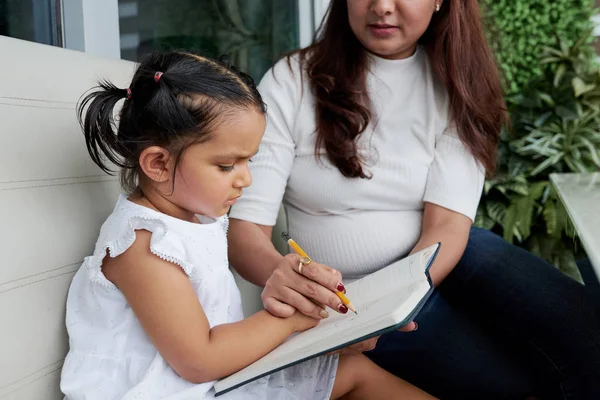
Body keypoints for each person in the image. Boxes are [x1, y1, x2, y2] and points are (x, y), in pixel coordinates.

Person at [227, 0, 600, 399]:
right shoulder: (291, 81)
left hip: (438, 268)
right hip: (350, 301)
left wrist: (402, 296)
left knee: (589, 339)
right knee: (518, 387)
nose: (382, 7)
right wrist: (285, 278)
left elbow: (447, 226)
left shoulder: (458, 82)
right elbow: (244, 230)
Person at [59, 50, 437, 400]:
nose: (245, 179)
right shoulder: (145, 244)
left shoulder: (193, 216)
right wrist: (294, 321)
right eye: (226, 165)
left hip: (211, 378)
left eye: (248, 161)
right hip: (174, 389)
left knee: (352, 369)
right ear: (158, 164)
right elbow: (199, 359)